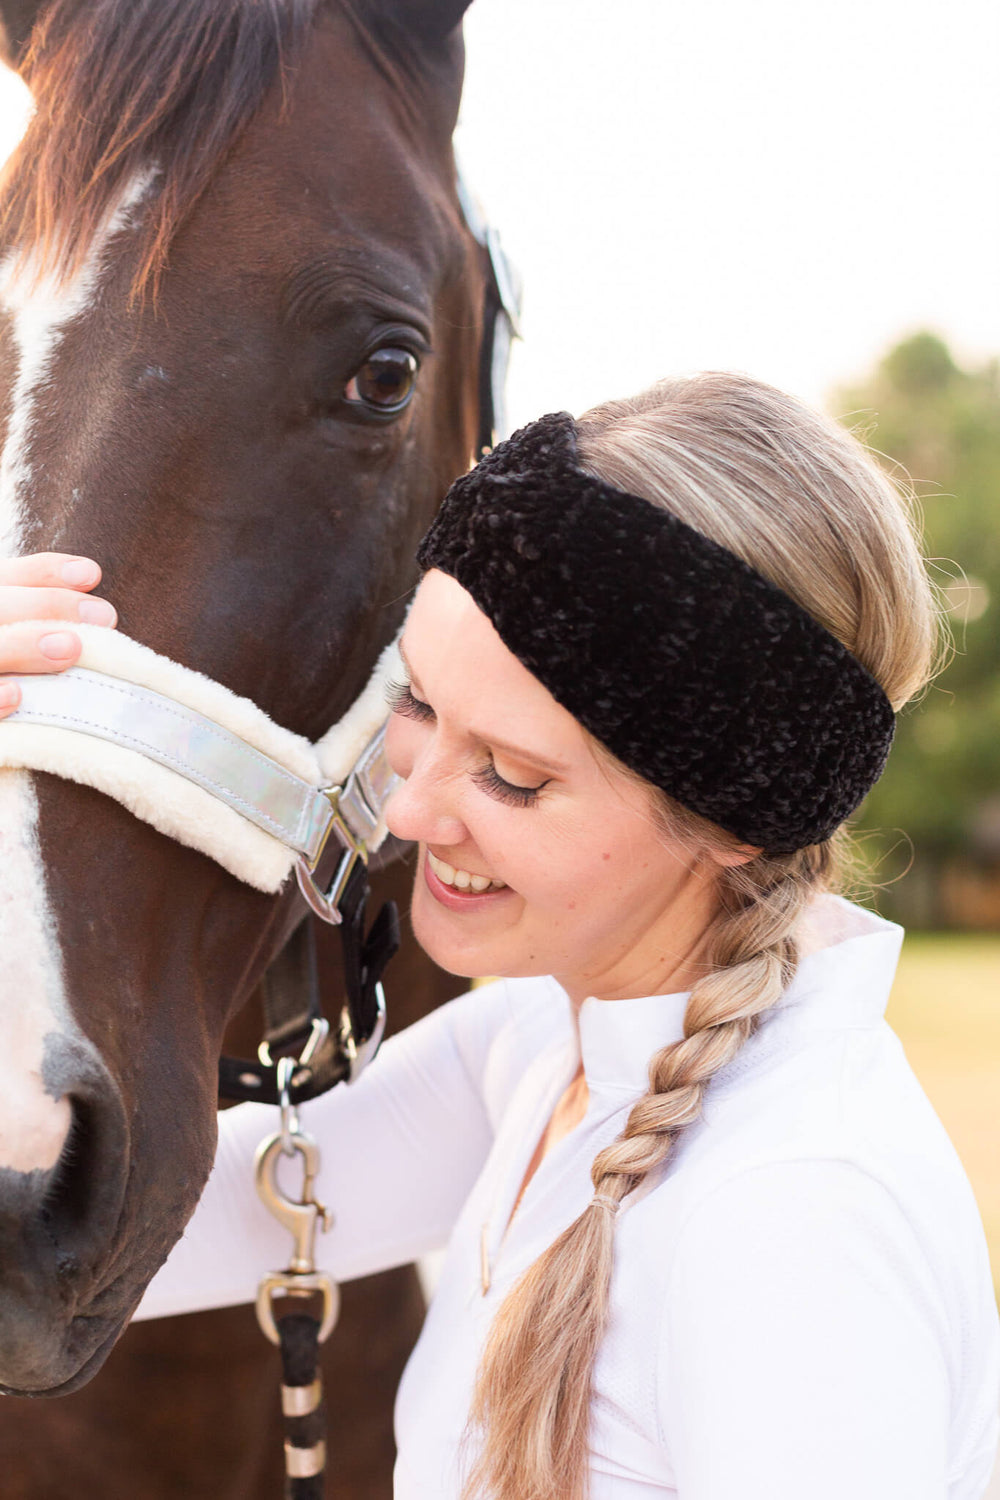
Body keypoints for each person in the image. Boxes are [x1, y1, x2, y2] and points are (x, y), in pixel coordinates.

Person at [1, 374, 998, 1500]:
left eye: (513, 777)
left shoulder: (797, 1221)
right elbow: (79, 1239)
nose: (411, 812)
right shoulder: (540, 1049)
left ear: (733, 820)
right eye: (417, 706)